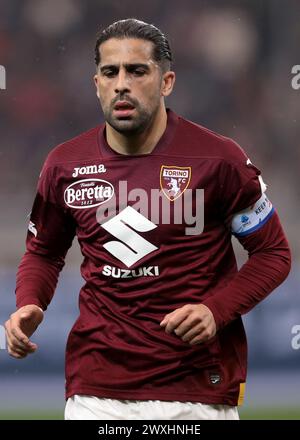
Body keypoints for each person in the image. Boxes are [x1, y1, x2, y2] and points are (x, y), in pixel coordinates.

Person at [5, 18, 291, 420]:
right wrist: (29, 302)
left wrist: (216, 310)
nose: (122, 83)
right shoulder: (64, 164)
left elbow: (273, 253)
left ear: (166, 81)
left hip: (197, 391)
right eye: (111, 72)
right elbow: (44, 252)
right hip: (96, 392)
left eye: (137, 71)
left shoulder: (219, 160)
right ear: (96, 84)